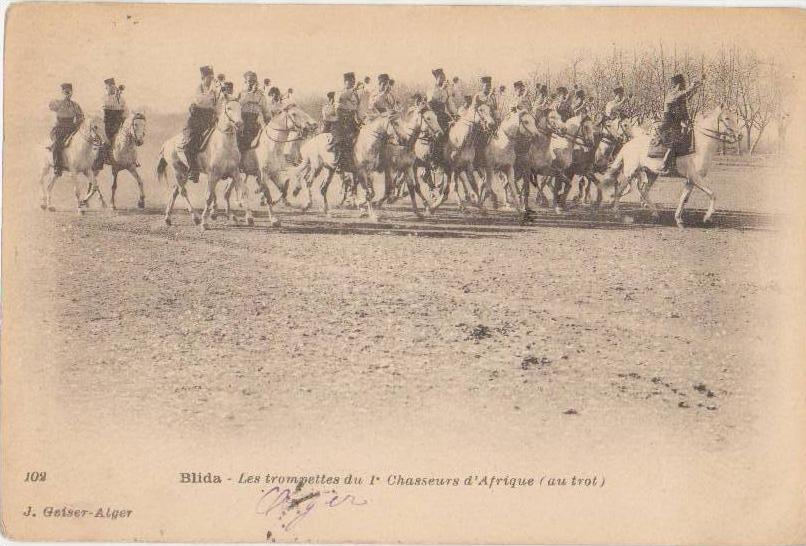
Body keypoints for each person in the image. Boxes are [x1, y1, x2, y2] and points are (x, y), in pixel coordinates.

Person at [179, 65, 221, 182]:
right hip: (196, 120)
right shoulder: (198, 89)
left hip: (210, 120)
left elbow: (218, 106)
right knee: (190, 144)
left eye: (212, 78)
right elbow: (200, 102)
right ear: (203, 78)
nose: (211, 80)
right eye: (208, 78)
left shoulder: (215, 91)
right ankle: (193, 169)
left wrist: (216, 114)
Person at [658, 73, 703, 174]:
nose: (684, 86)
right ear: (677, 85)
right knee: (675, 141)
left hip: (675, 125)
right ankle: (664, 164)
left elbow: (688, 95)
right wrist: (693, 85)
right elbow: (684, 94)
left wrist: (697, 85)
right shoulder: (672, 95)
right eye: (682, 84)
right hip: (667, 126)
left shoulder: (679, 96)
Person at [93, 77, 129, 171]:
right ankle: (99, 162)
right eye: (109, 87)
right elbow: (102, 111)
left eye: (113, 87)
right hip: (107, 125)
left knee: (128, 139)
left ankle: (132, 160)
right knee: (105, 142)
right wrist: (115, 101)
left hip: (119, 125)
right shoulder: (104, 98)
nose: (111, 89)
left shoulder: (121, 98)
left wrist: (123, 119)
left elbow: (126, 111)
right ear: (106, 88)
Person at [48, 83, 84, 176]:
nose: (68, 94)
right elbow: (51, 106)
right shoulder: (58, 103)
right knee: (57, 145)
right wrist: (59, 101)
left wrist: (77, 124)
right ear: (62, 93)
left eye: (69, 92)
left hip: (71, 128)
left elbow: (81, 116)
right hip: (59, 128)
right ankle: (57, 167)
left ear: (72, 93)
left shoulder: (75, 105)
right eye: (66, 92)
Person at [239, 71, 271, 151]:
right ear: (245, 82)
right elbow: (239, 104)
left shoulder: (261, 94)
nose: (251, 83)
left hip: (256, 119)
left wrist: (268, 117)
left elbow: (265, 108)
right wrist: (250, 93)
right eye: (249, 81)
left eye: (254, 81)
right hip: (244, 118)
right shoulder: (242, 93)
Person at [335, 72, 360, 171]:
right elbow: (338, 106)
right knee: (343, 140)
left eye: (354, 81)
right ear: (345, 82)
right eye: (351, 81)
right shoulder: (340, 92)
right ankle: (340, 164)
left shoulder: (355, 93)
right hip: (341, 120)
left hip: (352, 120)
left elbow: (356, 107)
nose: (353, 83)